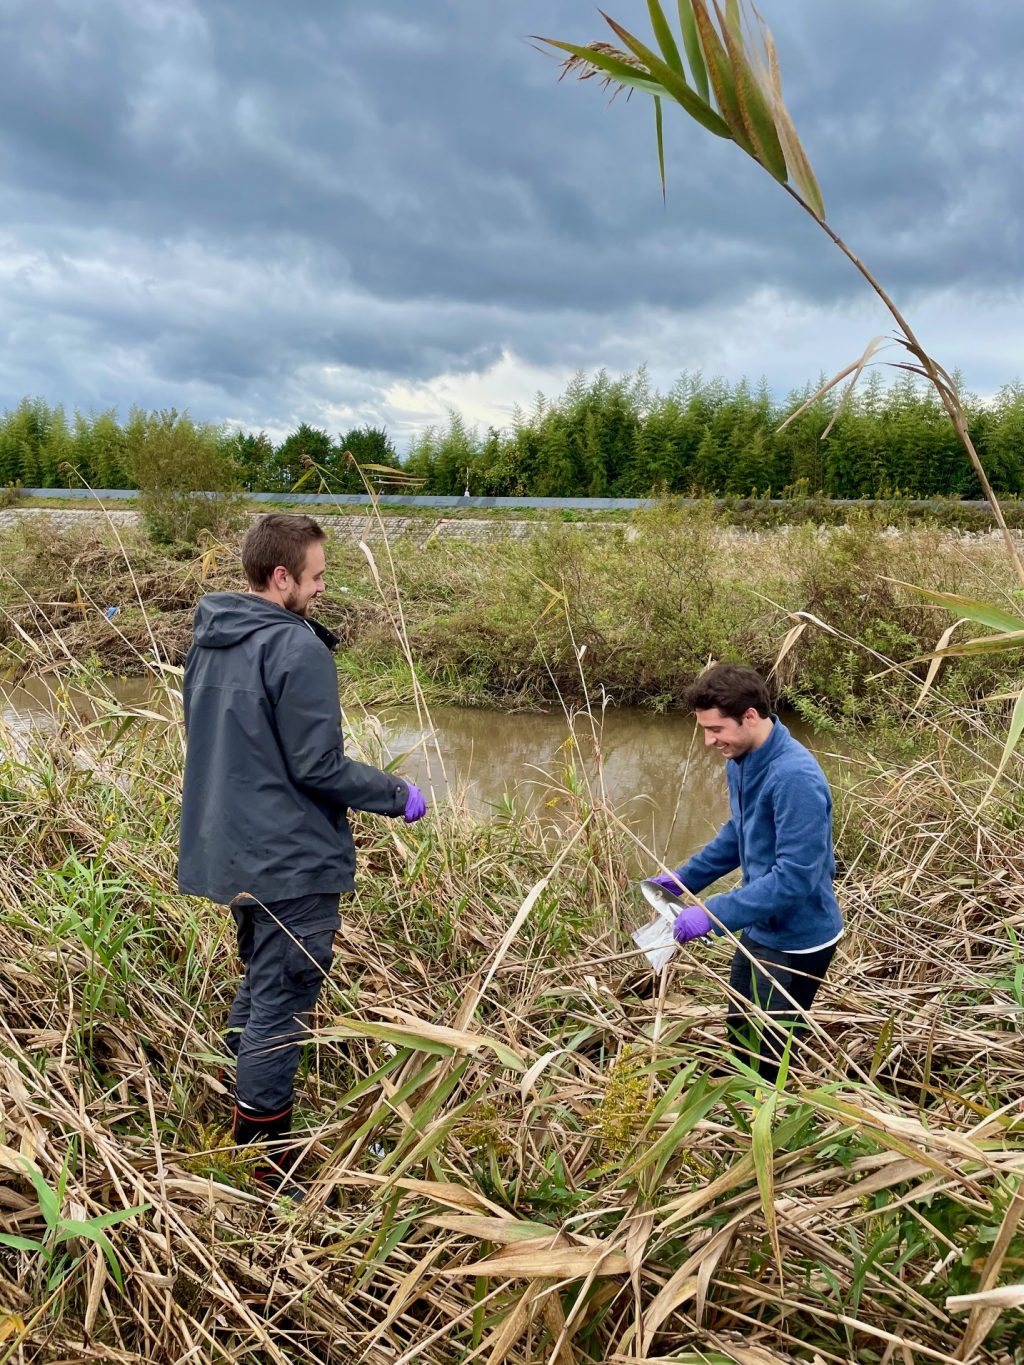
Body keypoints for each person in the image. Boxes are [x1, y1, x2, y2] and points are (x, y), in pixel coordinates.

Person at [178, 513, 426, 1192]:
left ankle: (239, 1098)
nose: (321, 588)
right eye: (315, 576)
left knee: (261, 981)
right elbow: (319, 765)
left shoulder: (212, 638)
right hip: (290, 860)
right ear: (282, 575)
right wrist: (396, 792)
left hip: (231, 853)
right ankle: (264, 1158)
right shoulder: (295, 647)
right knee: (281, 1002)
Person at [649, 664, 842, 1084]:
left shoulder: (795, 778)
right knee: (740, 1025)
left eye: (716, 729)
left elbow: (795, 878)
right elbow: (740, 832)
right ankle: (737, 1092)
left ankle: (766, 1124)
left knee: (771, 1051)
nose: (708, 740)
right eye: (704, 729)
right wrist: (685, 879)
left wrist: (712, 914)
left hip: (797, 940)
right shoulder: (741, 759)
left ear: (750, 716)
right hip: (758, 922)